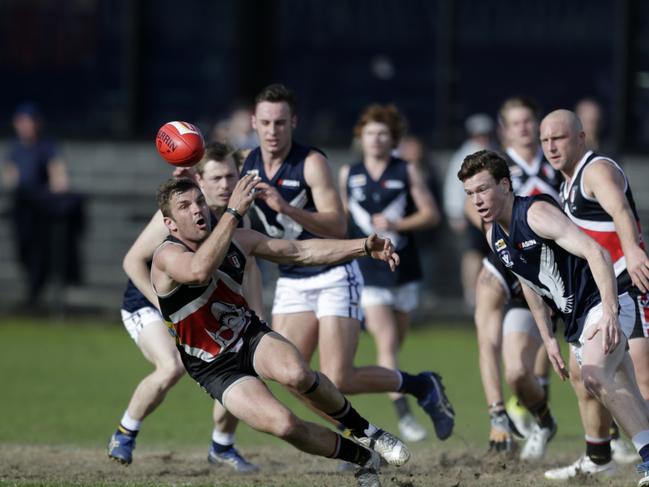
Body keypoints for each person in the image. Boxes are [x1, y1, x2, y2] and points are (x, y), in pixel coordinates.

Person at [151, 175, 410, 487]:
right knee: (285, 425)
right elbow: (198, 271)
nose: (197, 210)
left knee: (297, 374)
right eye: (185, 206)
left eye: (200, 202)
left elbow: (300, 252)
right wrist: (232, 212)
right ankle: (364, 459)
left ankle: (368, 432)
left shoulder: (240, 239)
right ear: (170, 223)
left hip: (248, 336)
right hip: (212, 367)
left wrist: (363, 246)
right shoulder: (167, 256)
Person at [241, 83, 455, 442]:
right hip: (292, 278)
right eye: (265, 122)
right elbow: (214, 180)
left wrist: (287, 208)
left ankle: (421, 385)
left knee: (338, 378)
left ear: (293, 122)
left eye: (280, 123)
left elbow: (337, 224)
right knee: (289, 375)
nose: (272, 131)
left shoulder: (311, 163)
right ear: (253, 123)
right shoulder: (246, 163)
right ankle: (357, 434)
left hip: (333, 273)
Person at [459, 149, 649, 487]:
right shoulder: (493, 235)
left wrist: (609, 312)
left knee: (594, 375)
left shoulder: (535, 213)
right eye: (470, 193)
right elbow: (530, 284)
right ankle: (604, 457)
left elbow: (597, 252)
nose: (477, 199)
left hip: (605, 303)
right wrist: (548, 339)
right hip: (576, 321)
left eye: (483, 189)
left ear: (505, 185)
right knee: (625, 391)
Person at [108, 143, 259, 472]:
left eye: (230, 176)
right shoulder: (180, 214)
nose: (225, 185)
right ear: (200, 180)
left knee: (241, 360)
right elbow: (132, 260)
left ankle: (222, 446)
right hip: (147, 302)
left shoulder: (235, 213)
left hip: (198, 309)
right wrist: (164, 310)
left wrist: (256, 316)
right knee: (172, 366)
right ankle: (125, 432)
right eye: (216, 177)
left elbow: (249, 266)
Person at [539, 110, 649, 479]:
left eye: (559, 138)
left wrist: (633, 250)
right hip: (599, 295)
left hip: (630, 284)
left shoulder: (596, 170)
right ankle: (598, 457)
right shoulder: (565, 185)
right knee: (581, 374)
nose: (551, 147)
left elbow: (620, 210)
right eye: (545, 140)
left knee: (639, 378)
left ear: (581, 138)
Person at [339, 104, 439, 442]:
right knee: (387, 342)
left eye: (383, 134)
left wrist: (397, 224)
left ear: (392, 138)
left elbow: (430, 214)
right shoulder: (348, 174)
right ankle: (406, 417)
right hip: (366, 271)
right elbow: (339, 220)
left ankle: (410, 387)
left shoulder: (406, 170)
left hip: (404, 270)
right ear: (361, 137)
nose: (376, 140)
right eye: (370, 133)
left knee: (395, 342)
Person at [470, 97, 560, 459]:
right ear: (503, 129)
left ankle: (608, 439)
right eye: (515, 123)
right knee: (515, 372)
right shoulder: (490, 171)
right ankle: (532, 419)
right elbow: (475, 212)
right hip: (508, 270)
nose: (523, 128)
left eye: (528, 121)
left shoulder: (559, 163)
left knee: (585, 368)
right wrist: (496, 414)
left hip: (555, 274)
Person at [1, 101, 84, 305]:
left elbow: (59, 177)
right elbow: (10, 178)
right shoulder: (15, 151)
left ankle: (35, 293)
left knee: (40, 253)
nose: (25, 126)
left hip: (41, 211)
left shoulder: (47, 148)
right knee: (24, 251)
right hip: (23, 210)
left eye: (28, 121)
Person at [443, 113, 495, 308]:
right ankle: (471, 292)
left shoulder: (494, 152)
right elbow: (454, 187)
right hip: (473, 214)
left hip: (493, 213)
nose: (482, 137)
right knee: (474, 253)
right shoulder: (463, 156)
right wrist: (455, 214)